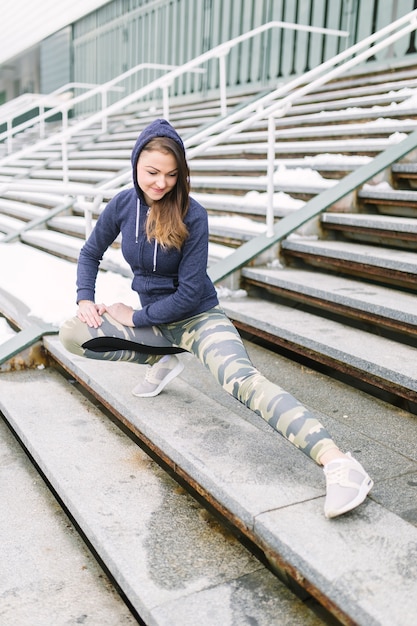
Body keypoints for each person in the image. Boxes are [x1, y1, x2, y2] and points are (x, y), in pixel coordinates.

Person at [59, 118, 373, 519]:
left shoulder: (193, 215)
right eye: (152, 172)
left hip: (198, 319)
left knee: (240, 380)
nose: (161, 183)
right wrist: (86, 298)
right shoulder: (123, 205)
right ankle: (163, 357)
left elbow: (190, 295)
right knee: (74, 334)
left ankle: (338, 463)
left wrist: (136, 315)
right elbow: (90, 253)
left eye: (171, 175)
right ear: (136, 163)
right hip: (155, 324)